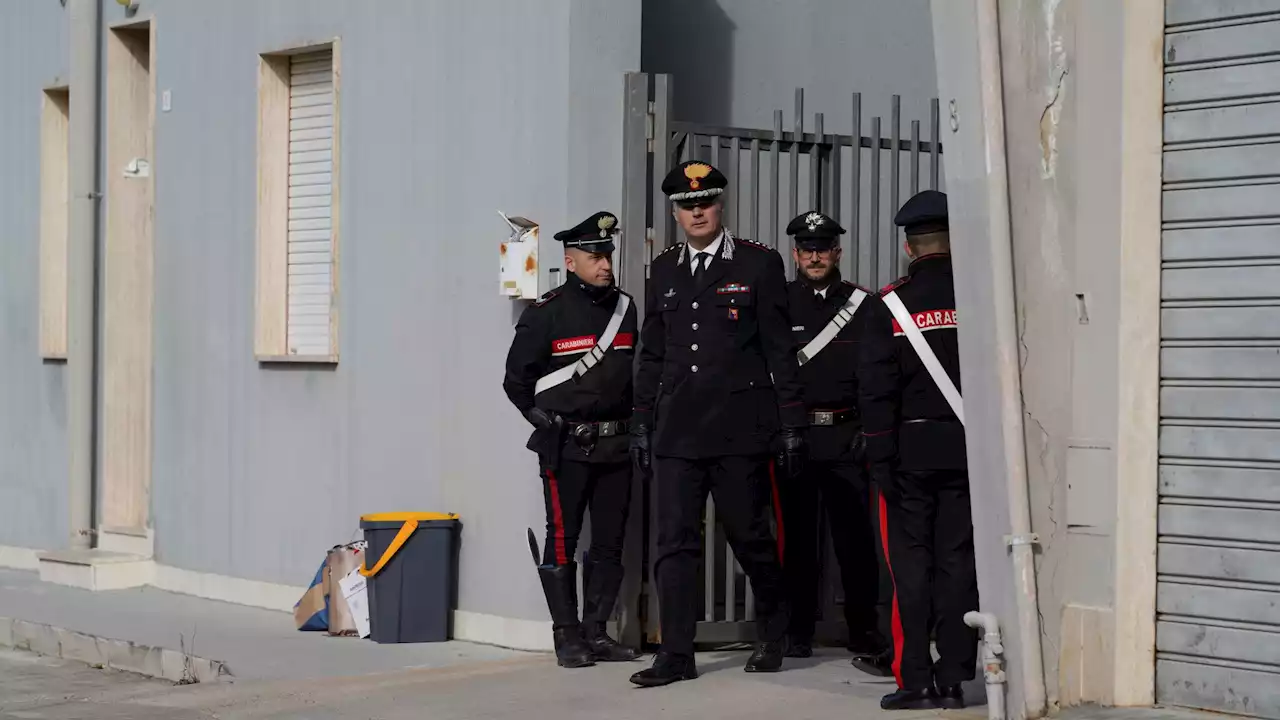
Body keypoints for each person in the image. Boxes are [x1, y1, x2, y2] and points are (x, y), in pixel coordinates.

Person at [629, 160, 807, 687]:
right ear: (676, 213)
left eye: (704, 201)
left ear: (720, 204)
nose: (696, 210)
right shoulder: (663, 269)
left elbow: (780, 350)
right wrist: (641, 420)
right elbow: (653, 353)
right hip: (677, 431)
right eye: (687, 205)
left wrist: (791, 422)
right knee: (673, 544)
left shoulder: (758, 263)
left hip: (738, 429)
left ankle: (775, 629)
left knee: (749, 536)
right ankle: (676, 655)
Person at [502, 211, 642, 669]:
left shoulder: (625, 308)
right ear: (571, 259)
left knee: (610, 540)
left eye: (608, 255)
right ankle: (568, 636)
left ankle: (597, 631)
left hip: (616, 446)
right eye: (595, 255)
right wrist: (542, 420)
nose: (605, 264)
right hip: (568, 445)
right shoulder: (547, 312)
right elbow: (516, 382)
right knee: (563, 536)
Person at [857, 190, 978, 710]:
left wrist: (880, 460)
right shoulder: (978, 298)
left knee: (910, 568)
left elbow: (876, 390)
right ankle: (955, 678)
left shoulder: (889, 305)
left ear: (909, 247)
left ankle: (915, 680)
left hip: (907, 454)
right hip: (968, 450)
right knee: (958, 565)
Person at [778, 210, 893, 676]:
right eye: (807, 249)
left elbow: (879, 373)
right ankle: (797, 629)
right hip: (798, 439)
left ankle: (863, 630)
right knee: (798, 543)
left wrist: (870, 429)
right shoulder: (780, 305)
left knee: (856, 543)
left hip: (849, 439)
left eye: (823, 247)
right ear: (795, 254)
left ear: (837, 252)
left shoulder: (865, 306)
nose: (815, 256)